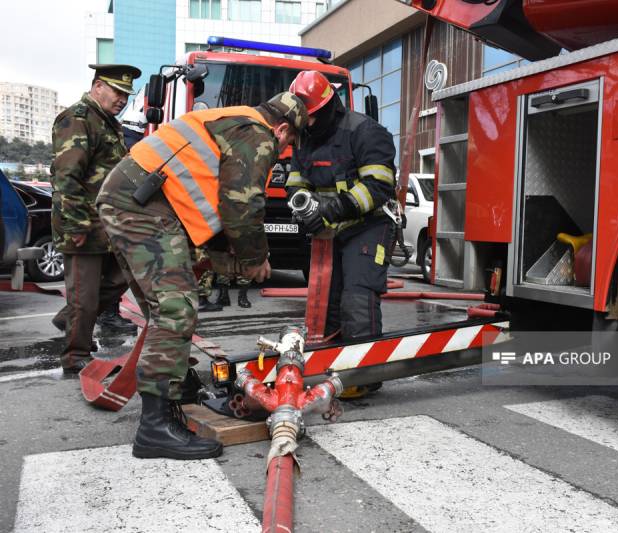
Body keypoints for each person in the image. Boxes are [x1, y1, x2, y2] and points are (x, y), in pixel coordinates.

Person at [96, 92, 308, 460]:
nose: (283, 151)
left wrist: (227, 258)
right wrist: (255, 258)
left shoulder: (234, 119)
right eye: (289, 143)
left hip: (132, 198)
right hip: (142, 205)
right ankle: (154, 428)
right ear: (283, 129)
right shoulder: (258, 134)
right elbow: (241, 204)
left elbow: (211, 203)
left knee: (163, 308)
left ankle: (176, 390)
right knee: (175, 308)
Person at [287, 71, 397, 397]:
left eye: (311, 116)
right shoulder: (304, 138)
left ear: (329, 107)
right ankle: (333, 368)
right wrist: (303, 209)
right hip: (329, 229)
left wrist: (333, 209)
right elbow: (296, 182)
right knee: (327, 302)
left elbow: (378, 186)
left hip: (369, 226)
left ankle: (365, 375)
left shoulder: (366, 132)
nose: (307, 124)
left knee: (357, 296)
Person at [51, 64, 141, 374]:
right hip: (83, 224)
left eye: (126, 95)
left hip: (107, 224)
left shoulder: (107, 122)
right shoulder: (78, 119)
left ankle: (69, 319)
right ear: (98, 86)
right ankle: (76, 356)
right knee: (85, 295)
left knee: (121, 277)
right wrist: (76, 224)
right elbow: (66, 177)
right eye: (117, 92)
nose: (122, 100)